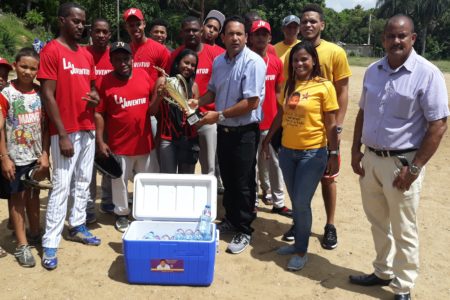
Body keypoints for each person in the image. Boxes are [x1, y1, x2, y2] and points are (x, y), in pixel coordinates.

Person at [349, 15, 449, 300]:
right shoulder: (373, 70)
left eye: (402, 36)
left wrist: (415, 168)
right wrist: (356, 150)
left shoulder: (427, 73)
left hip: (403, 164)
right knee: (377, 221)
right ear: (383, 39)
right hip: (371, 160)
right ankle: (382, 270)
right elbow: (363, 112)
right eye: (390, 36)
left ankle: (403, 286)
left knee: (404, 227)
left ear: (412, 39)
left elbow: (438, 124)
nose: (396, 41)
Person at [189, 15, 266, 254]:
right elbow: (212, 91)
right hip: (224, 131)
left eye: (239, 34)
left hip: (244, 132)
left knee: (243, 182)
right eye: (230, 34)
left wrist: (219, 115)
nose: (235, 38)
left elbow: (251, 102)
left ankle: (244, 229)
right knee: (229, 178)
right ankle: (231, 219)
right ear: (222, 37)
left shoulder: (253, 62)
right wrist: (196, 102)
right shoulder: (220, 62)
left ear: (246, 37)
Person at [262, 41, 339, 271]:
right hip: (287, 152)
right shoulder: (290, 84)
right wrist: (268, 140)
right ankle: (298, 241)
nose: (299, 63)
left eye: (304, 59)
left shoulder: (324, 86)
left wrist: (333, 152)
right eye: (295, 60)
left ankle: (301, 250)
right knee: (296, 200)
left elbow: (331, 123)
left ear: (314, 60)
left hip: (312, 153)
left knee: (302, 202)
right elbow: (281, 115)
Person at [282, 3, 351, 249]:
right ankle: (300, 223)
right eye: (304, 22)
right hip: (298, 128)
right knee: (299, 186)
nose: (308, 25)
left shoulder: (335, 52)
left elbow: (342, 90)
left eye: (313, 21)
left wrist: (338, 126)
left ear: (322, 24)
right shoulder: (291, 53)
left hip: (325, 129)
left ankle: (330, 225)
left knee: (328, 178)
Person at [38, 2, 101, 270]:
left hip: (87, 126)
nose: (81, 26)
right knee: (62, 186)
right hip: (66, 131)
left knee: (84, 182)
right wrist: (61, 134)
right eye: (75, 21)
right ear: (62, 20)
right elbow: (47, 94)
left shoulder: (86, 54)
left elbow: (93, 88)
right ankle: (50, 242)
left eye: (82, 22)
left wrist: (96, 97)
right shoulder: (52, 50)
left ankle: (77, 225)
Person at [95, 42, 155, 233]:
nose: (123, 63)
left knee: (149, 180)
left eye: (126, 58)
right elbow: (99, 113)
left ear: (132, 59)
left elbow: (154, 100)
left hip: (144, 143)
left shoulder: (144, 75)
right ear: (111, 61)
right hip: (119, 144)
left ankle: (146, 212)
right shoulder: (104, 81)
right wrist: (100, 141)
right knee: (119, 182)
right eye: (118, 59)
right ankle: (121, 214)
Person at [0, 48, 49, 267]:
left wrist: (45, 154)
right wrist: (4, 157)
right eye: (23, 67)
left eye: (32, 68)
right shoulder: (6, 94)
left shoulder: (40, 94)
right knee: (17, 199)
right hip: (15, 158)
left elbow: (46, 127)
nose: (28, 72)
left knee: (33, 195)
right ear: (15, 66)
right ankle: (22, 245)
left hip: (35, 156)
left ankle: (35, 232)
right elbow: (0, 129)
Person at [169, 16, 224, 185]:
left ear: (202, 30)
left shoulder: (217, 54)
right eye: (187, 30)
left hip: (207, 118)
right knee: (186, 163)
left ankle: (210, 201)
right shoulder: (175, 55)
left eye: (195, 30)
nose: (191, 33)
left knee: (209, 165)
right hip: (182, 121)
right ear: (181, 33)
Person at [248, 20, 291, 218]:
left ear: (270, 38)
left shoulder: (275, 62)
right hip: (250, 121)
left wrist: (279, 119)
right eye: (257, 34)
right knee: (252, 164)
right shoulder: (245, 60)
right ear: (250, 37)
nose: (260, 38)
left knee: (275, 163)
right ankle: (253, 200)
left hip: (271, 123)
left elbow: (278, 93)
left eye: (264, 34)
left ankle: (278, 202)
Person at [123, 7, 170, 171]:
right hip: (132, 108)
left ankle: (155, 189)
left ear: (144, 24)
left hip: (155, 110)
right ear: (126, 28)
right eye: (131, 25)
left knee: (153, 152)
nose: (135, 28)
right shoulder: (125, 51)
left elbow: (166, 80)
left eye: (138, 24)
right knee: (134, 152)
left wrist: (156, 103)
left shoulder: (160, 50)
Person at [151, 49, 200, 174]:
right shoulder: (163, 82)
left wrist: (190, 113)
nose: (189, 67)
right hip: (167, 138)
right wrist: (160, 96)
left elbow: (195, 121)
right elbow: (151, 111)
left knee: (186, 181)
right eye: (186, 63)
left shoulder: (194, 87)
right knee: (168, 180)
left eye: (193, 65)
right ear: (177, 63)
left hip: (188, 139)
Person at [85, 18, 114, 223]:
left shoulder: (115, 54)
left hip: (109, 118)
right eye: (98, 31)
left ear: (110, 34)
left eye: (105, 32)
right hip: (85, 118)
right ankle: (87, 206)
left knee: (107, 158)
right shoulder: (83, 54)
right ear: (91, 32)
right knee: (88, 166)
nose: (101, 35)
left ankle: (107, 200)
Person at [273, 15, 301, 88]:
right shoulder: (274, 49)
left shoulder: (304, 47)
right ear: (283, 29)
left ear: (299, 29)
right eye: (289, 27)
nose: (292, 30)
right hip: (280, 92)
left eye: (295, 27)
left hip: (299, 91)